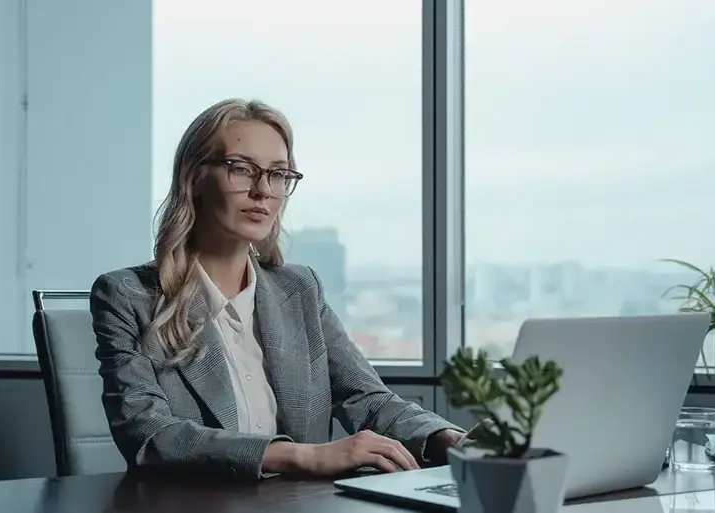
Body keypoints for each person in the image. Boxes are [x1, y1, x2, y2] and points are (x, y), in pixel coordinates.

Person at [90, 98, 465, 480]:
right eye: (242, 169)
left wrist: (449, 440)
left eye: (278, 174)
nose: (263, 190)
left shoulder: (300, 288)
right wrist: (302, 456)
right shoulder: (127, 295)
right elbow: (150, 434)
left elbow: (366, 399)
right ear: (196, 177)